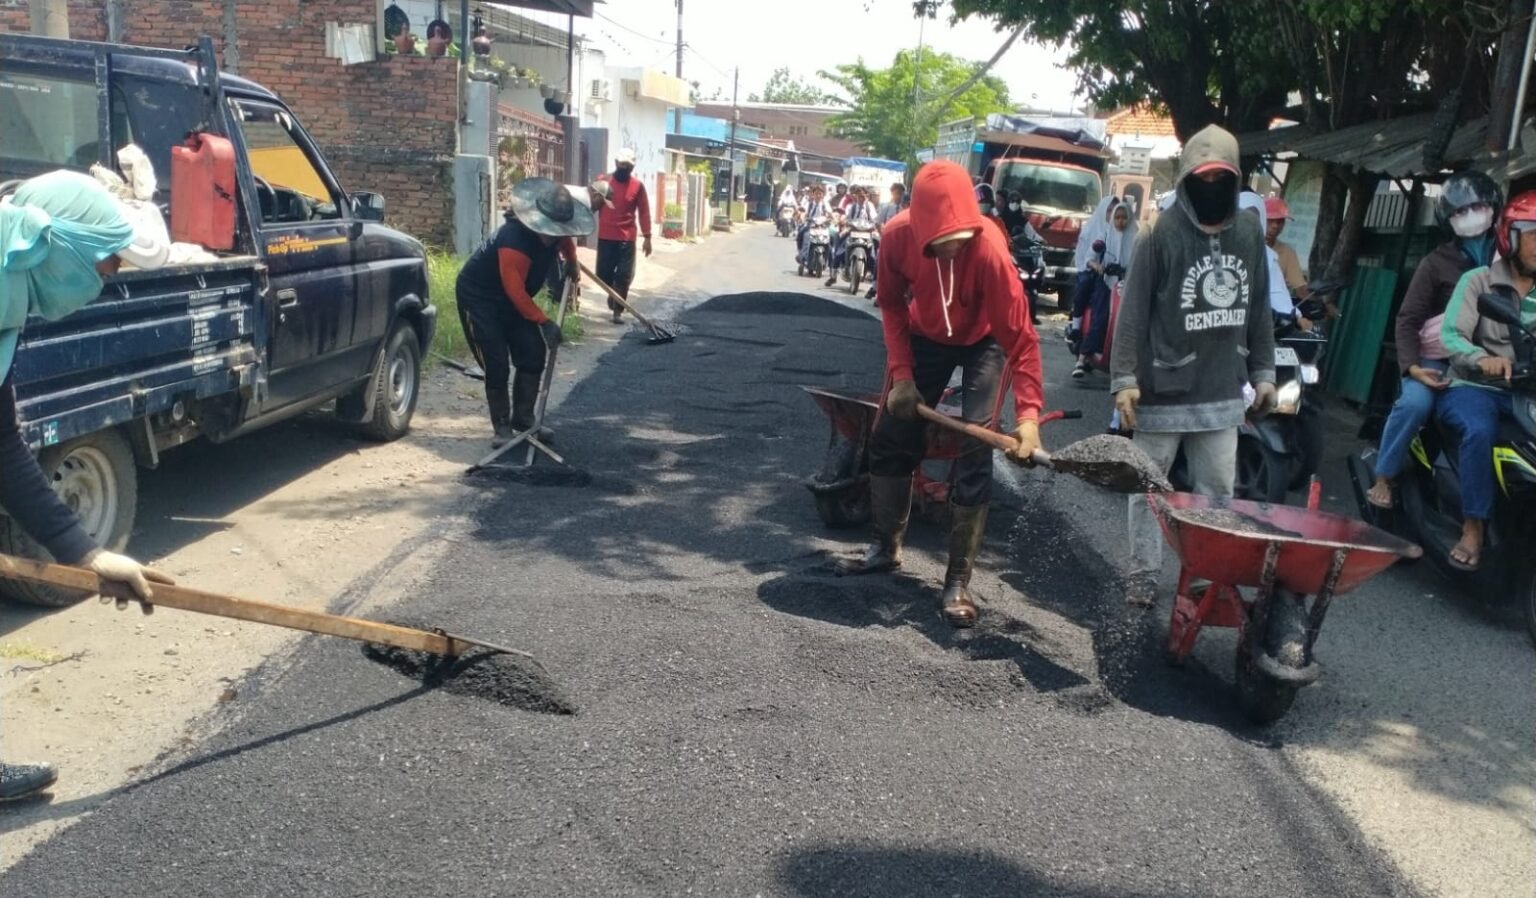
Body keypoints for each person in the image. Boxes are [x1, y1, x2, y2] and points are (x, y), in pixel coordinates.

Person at [0, 170, 175, 802]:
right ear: (58, 248)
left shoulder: (7, 303)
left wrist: (87, 553)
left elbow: (3, 450)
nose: (108, 277)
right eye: (106, 262)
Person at [837, 160, 1045, 629]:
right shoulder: (897, 236)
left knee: (974, 447)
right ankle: (885, 548)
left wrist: (1029, 418)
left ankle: (957, 581)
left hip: (984, 341)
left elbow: (1022, 341)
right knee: (890, 435)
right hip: (926, 334)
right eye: (941, 241)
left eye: (959, 239)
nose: (952, 248)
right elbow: (891, 305)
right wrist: (902, 374)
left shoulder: (990, 251)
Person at [1110, 125, 1277, 607]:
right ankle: (1143, 572)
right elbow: (1133, 311)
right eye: (1202, 179)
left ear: (1235, 179)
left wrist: (1264, 373)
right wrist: (1124, 380)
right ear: (1186, 180)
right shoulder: (1160, 233)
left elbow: (1259, 307)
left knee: (1217, 490)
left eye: (1220, 179)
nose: (1211, 187)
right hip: (1163, 385)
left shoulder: (1249, 232)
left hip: (1223, 387)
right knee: (1148, 485)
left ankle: (1204, 572)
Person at [1365, 172, 1501, 511]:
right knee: (1415, 404)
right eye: (1460, 211)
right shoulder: (1435, 263)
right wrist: (1413, 368)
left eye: (1478, 207)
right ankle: (1384, 475)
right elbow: (1408, 319)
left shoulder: (1508, 259)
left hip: (1488, 361)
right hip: (1436, 360)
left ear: (1493, 207)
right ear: (1447, 219)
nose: (1470, 215)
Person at [1435, 191, 1536, 571]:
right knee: (1480, 431)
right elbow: (1451, 335)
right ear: (1510, 236)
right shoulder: (1478, 281)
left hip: (1525, 393)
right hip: (1474, 388)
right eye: (1533, 234)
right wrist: (1483, 359)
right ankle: (1473, 525)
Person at [457, 179, 591, 447]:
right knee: (496, 361)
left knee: (532, 352)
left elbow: (565, 240)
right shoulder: (514, 241)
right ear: (538, 221)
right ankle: (502, 427)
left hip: (513, 299)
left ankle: (524, 418)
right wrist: (544, 322)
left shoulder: (556, 234)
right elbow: (515, 291)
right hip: (481, 298)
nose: (556, 236)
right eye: (552, 231)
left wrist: (572, 262)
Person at [1072, 199, 1137, 379]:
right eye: (1117, 217)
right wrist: (1098, 266)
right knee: (1101, 318)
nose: (1121, 221)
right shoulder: (1104, 235)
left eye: (1124, 217)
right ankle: (1082, 358)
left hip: (1129, 285)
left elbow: (1143, 260)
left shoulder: (1137, 239)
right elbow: (1089, 258)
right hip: (1107, 283)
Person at [595, 148, 652, 324]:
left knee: (624, 276)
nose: (624, 168)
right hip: (606, 236)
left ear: (632, 168)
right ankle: (613, 293)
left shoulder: (637, 186)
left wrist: (647, 237)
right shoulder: (603, 181)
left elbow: (644, 211)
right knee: (602, 275)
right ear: (616, 163)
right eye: (622, 165)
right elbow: (592, 202)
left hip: (626, 239)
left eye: (628, 166)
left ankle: (617, 311)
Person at [827, 186, 878, 287]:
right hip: (852, 232)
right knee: (840, 250)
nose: (861, 198)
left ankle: (875, 282)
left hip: (867, 233)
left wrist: (875, 227)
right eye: (859, 196)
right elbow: (846, 218)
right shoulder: (851, 207)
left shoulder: (870, 206)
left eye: (863, 196)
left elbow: (875, 219)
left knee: (873, 255)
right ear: (856, 196)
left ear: (867, 196)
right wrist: (842, 222)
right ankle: (833, 275)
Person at [1263, 197, 1310, 301]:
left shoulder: (1287, 253)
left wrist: (1323, 299)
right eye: (1270, 220)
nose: (1275, 226)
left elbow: (1300, 289)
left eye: (1280, 221)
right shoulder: (1245, 245)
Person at [797, 184, 832, 265]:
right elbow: (804, 213)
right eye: (816, 193)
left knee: (833, 237)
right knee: (802, 234)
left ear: (823, 195)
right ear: (813, 194)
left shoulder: (825, 204)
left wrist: (834, 219)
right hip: (810, 226)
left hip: (823, 227)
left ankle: (831, 262)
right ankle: (802, 256)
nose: (818, 196)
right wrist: (802, 218)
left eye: (820, 194)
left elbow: (830, 213)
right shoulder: (809, 204)